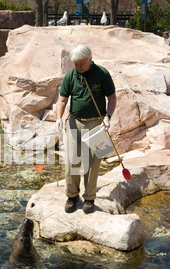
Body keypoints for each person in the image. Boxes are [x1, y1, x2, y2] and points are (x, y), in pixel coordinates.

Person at [56, 44, 116, 214]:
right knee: (72, 160)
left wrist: (108, 117)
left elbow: (111, 97)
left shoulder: (102, 74)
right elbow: (62, 99)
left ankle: (89, 197)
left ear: (90, 59)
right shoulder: (70, 76)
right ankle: (72, 195)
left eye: (81, 63)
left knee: (93, 162)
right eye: (75, 64)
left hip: (96, 123)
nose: (78, 67)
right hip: (75, 121)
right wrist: (59, 118)